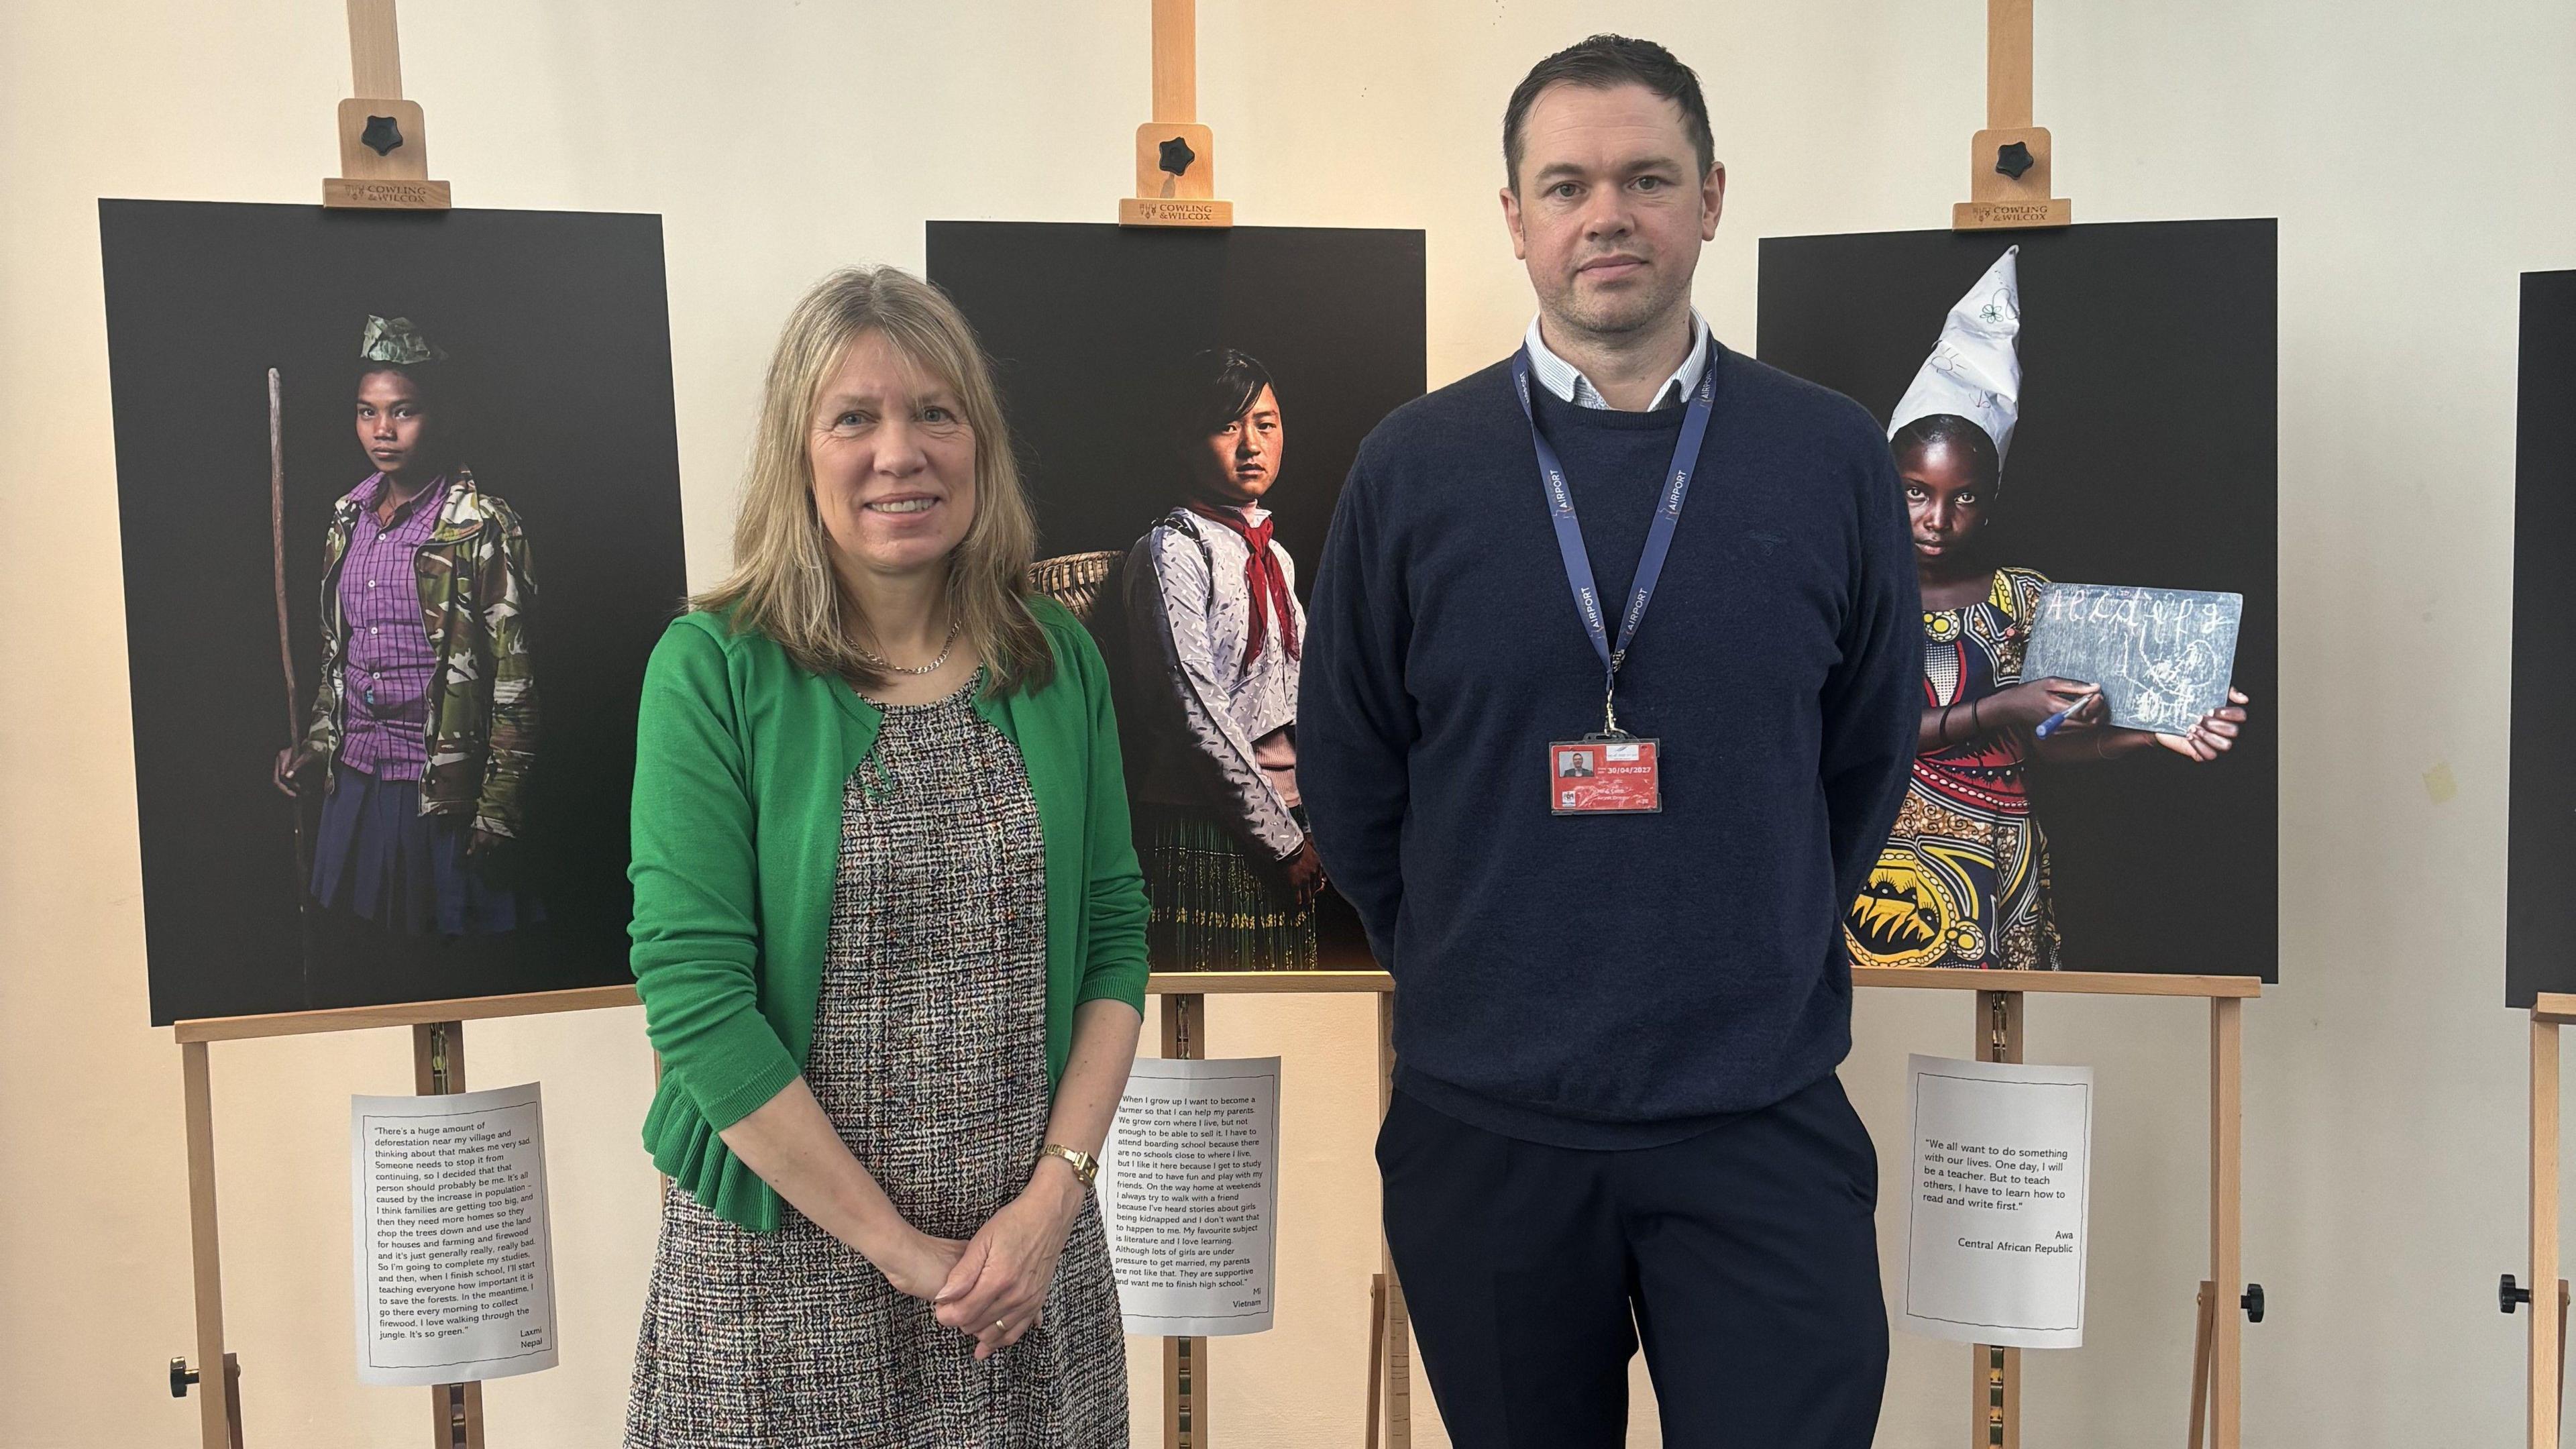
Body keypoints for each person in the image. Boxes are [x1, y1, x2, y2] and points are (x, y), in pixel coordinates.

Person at [1299, 36, 1919, 1448]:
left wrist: (1754, 932)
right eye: (1566, 185)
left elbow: (1867, 752)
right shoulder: (1413, 466)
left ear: (1711, 196)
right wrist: (1477, 954)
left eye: (1646, 178)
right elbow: (1350, 765)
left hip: (1758, 1118)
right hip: (1491, 1131)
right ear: (1514, 219)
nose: (1608, 215)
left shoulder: (1828, 458)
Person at [623, 266, 1146, 1446]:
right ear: (797, 451)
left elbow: (1115, 938)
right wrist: (902, 1251)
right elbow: (695, 1003)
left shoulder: (1057, 660)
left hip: (1024, 1278)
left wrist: (1056, 1197)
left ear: (979, 442)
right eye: (854, 417)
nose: (899, 452)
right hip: (781, 1282)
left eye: (935, 413)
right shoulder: (713, 670)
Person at [1851, 246, 2252, 971]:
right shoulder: (1854, 593)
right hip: (1887, 870)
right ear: (1883, 481)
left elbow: (2053, 738)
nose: (1937, 517)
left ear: (1991, 498)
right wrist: (2004, 709)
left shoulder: (2024, 599)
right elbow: (1853, 737)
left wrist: (2155, 732)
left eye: (1963, 496)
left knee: (2001, 1059)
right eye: (1915, 490)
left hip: (2005, 861)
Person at [272, 315, 541, 936]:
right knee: (363, 956)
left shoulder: (480, 526)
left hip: (442, 789)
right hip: (357, 783)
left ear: (439, 415)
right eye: (367, 412)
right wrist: (316, 743)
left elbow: (516, 681)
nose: (383, 431)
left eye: (403, 412)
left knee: (450, 963)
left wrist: (498, 806)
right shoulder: (349, 518)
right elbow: (339, 656)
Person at [1121, 348, 1324, 971]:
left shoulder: (1277, 557)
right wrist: (1282, 842)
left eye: (1265, 423)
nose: (1250, 446)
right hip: (1203, 826)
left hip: (1293, 830)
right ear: (1188, 439)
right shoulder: (1172, 550)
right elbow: (1195, 711)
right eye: (1227, 425)